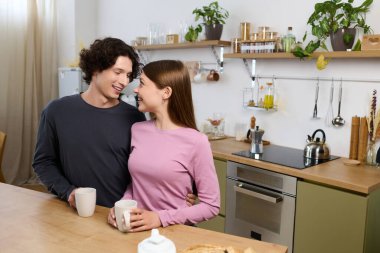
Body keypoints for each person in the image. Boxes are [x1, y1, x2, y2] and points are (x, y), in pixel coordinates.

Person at [108, 60, 220, 232]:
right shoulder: (138, 130)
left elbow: (211, 206)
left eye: (142, 84)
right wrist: (121, 206)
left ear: (166, 92)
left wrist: (160, 218)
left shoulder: (197, 141)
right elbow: (137, 184)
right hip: (136, 232)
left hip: (176, 233)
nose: (136, 89)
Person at [32, 37, 146, 208]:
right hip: (74, 213)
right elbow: (43, 162)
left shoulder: (134, 117)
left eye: (128, 75)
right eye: (118, 72)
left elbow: (146, 168)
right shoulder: (56, 111)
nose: (124, 81)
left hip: (119, 214)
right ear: (95, 68)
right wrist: (68, 192)